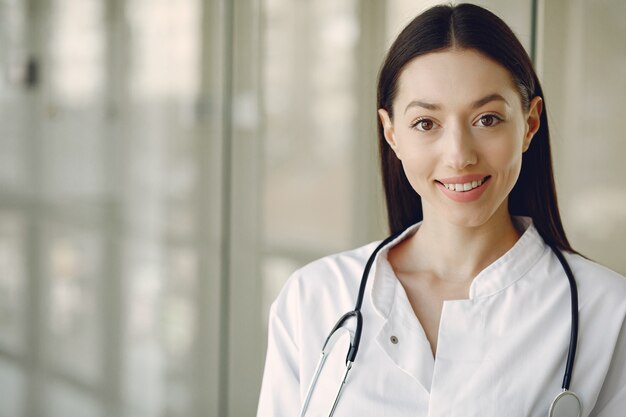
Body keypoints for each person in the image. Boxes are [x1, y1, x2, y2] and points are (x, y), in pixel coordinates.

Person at [256, 3, 626, 416]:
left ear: (530, 123)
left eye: (487, 119)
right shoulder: (314, 300)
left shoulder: (606, 312)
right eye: (426, 124)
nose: (459, 156)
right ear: (392, 133)